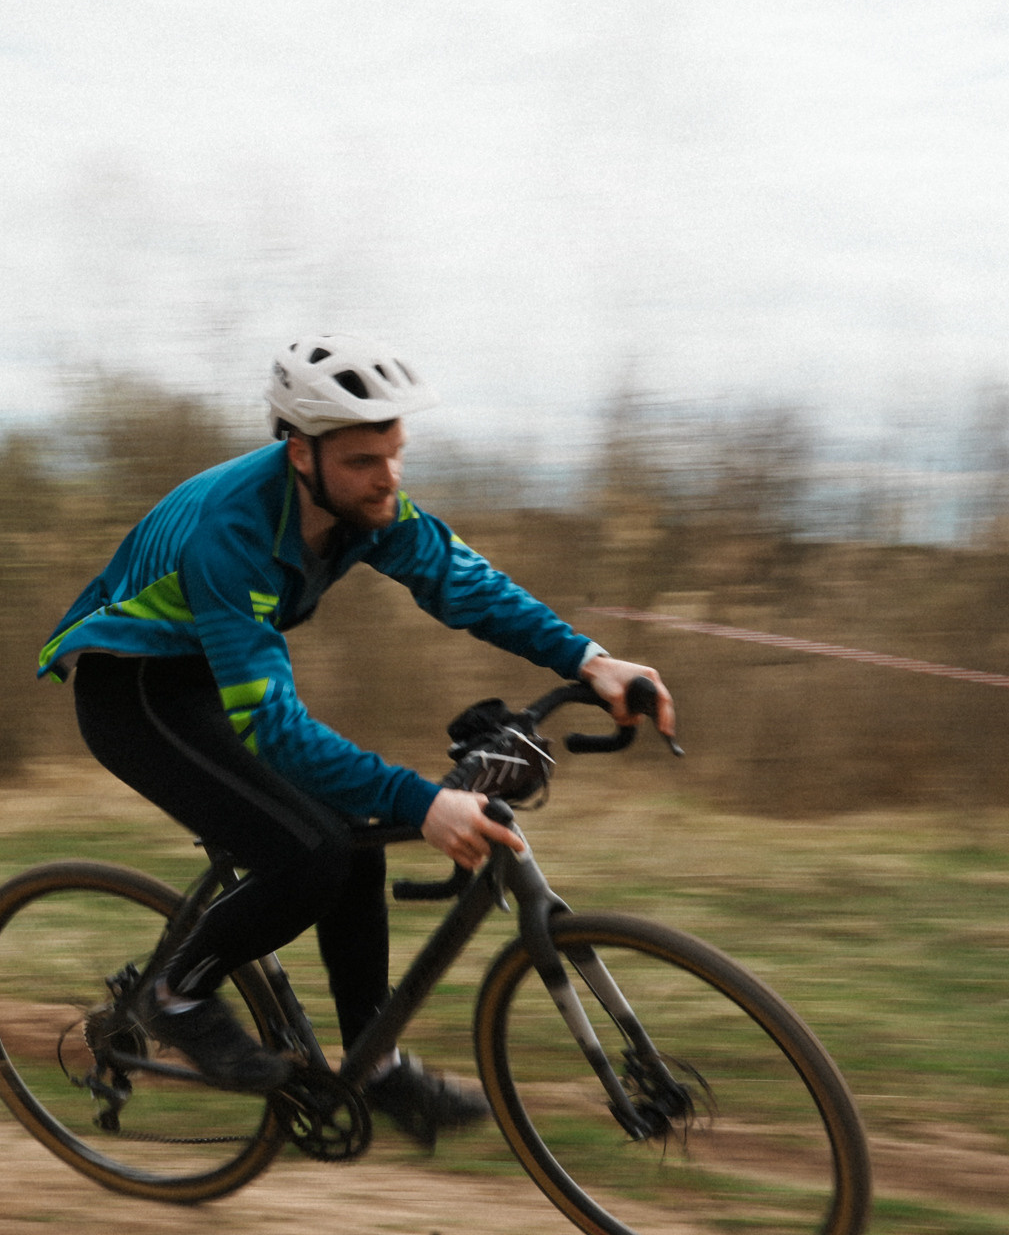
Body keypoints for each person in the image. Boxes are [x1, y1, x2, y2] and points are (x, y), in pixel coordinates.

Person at [37, 335, 677, 1145]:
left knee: (359, 836)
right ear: (300, 453)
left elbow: (459, 581)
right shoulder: (232, 532)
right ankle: (177, 993)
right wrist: (425, 801)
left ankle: (374, 1066)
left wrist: (593, 662)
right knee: (311, 856)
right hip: (134, 695)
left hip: (207, 676)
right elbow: (272, 723)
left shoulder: (360, 510)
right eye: (365, 459)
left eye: (396, 453)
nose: (388, 477)